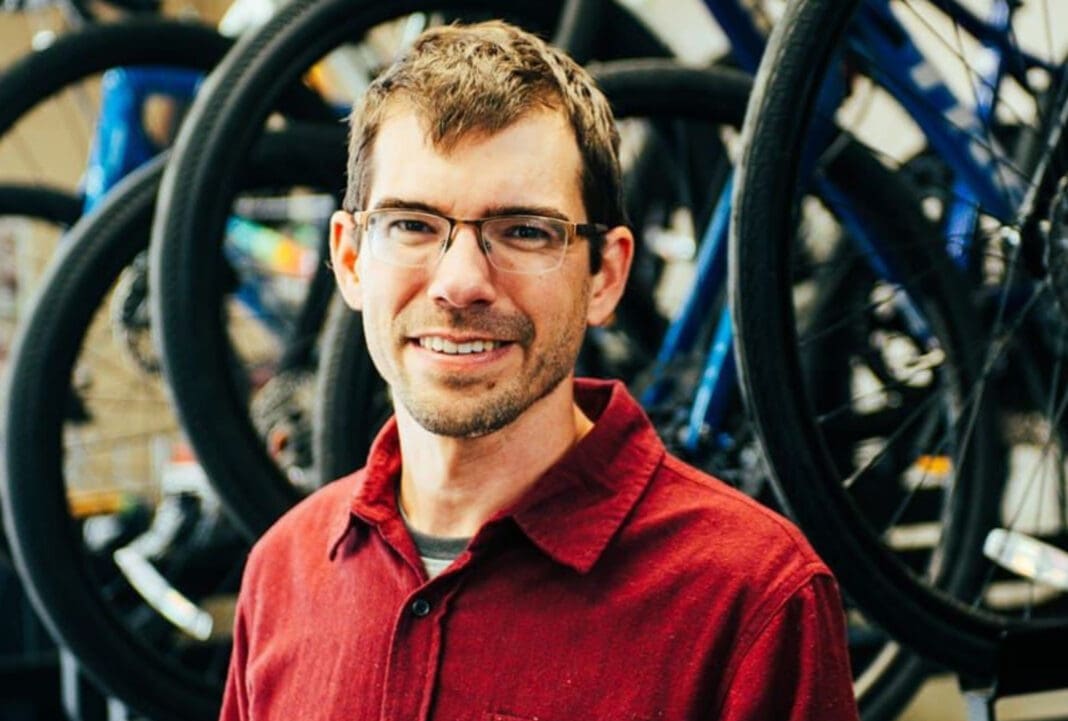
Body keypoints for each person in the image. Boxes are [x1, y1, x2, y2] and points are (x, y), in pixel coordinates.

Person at [220, 20, 860, 721]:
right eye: (412, 224)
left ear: (606, 275)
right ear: (348, 258)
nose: (460, 282)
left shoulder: (752, 598)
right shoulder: (284, 570)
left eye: (524, 230)